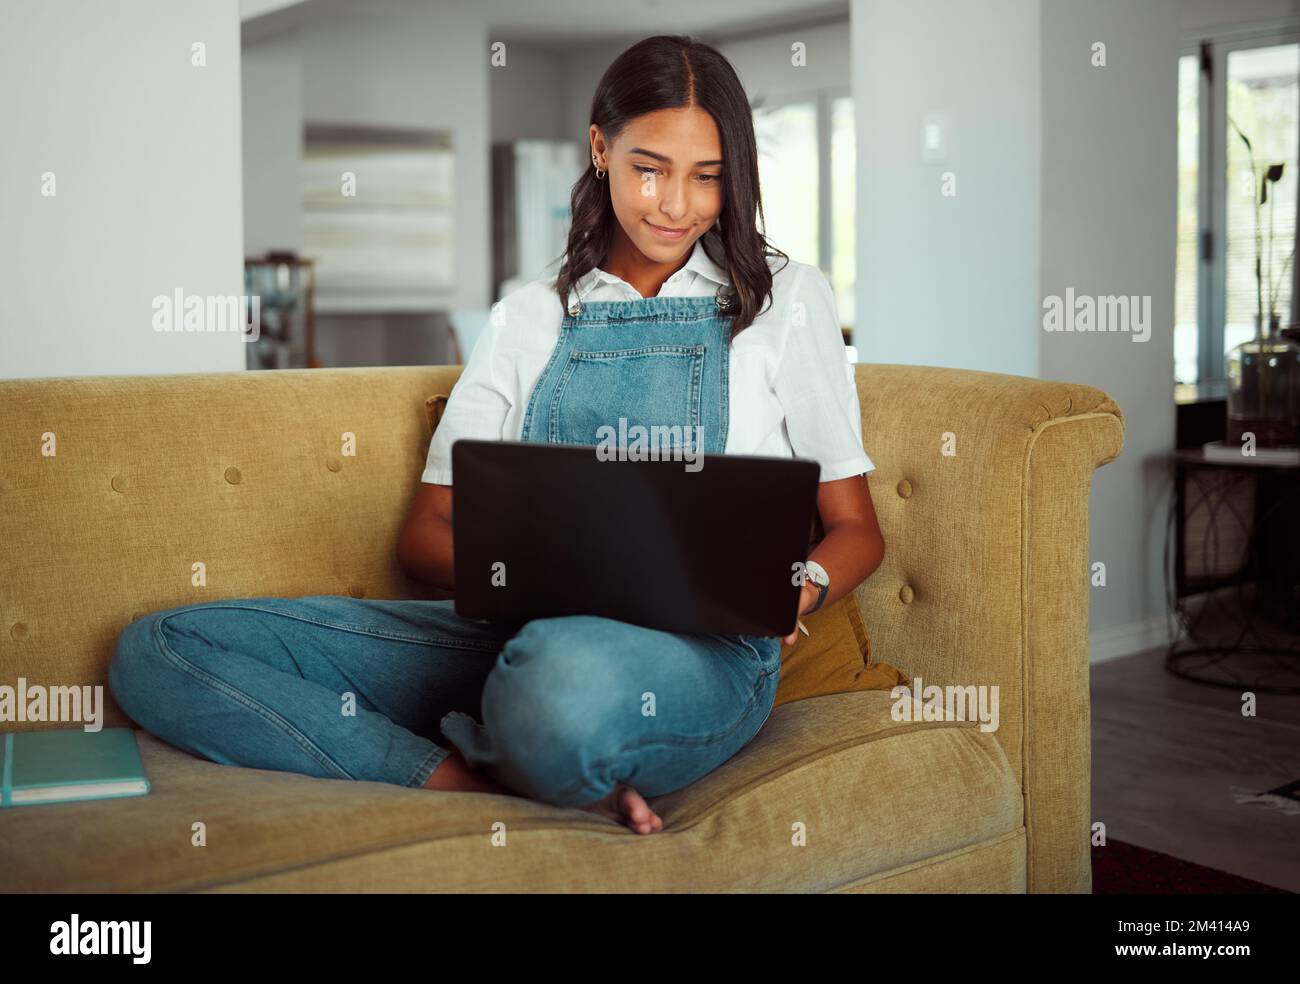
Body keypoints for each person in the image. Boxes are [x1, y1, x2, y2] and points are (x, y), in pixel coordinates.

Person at [109, 34, 885, 837]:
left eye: (707, 177)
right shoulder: (527, 315)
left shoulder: (787, 301)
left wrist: (796, 588)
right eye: (648, 168)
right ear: (600, 150)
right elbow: (424, 536)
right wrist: (564, 578)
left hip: (693, 658)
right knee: (162, 649)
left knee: (558, 687)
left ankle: (531, 735)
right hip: (514, 634)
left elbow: (858, 531)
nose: (675, 204)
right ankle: (460, 779)